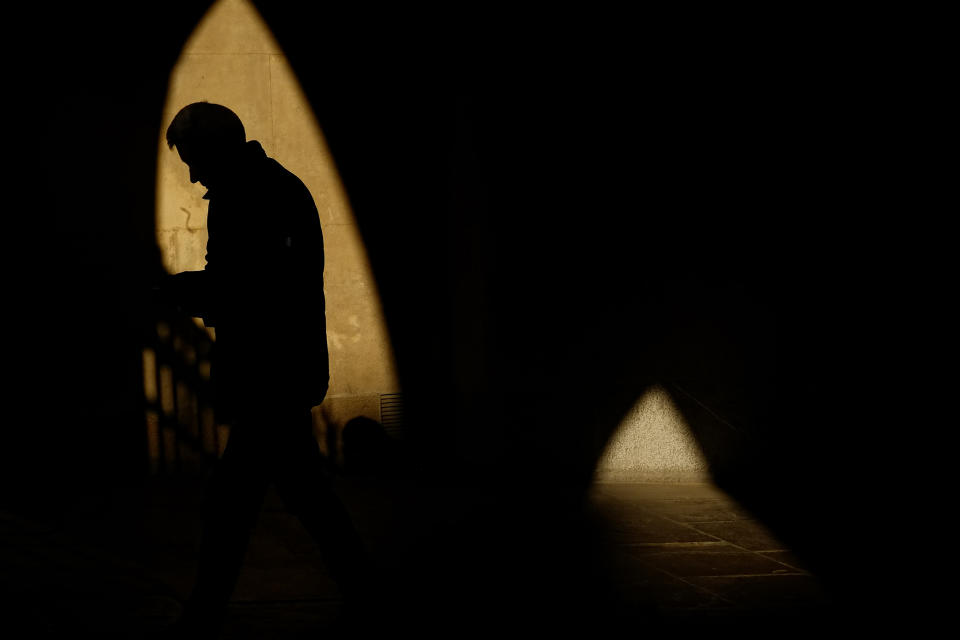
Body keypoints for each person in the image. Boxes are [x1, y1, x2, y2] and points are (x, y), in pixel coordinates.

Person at [157, 102, 369, 635]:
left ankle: (203, 616)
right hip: (278, 376)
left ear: (213, 148)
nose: (191, 172)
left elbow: (248, 286)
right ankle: (367, 595)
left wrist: (174, 289)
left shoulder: (251, 196)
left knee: (232, 506)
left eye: (192, 158)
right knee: (302, 496)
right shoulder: (262, 188)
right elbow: (247, 282)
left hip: (268, 378)